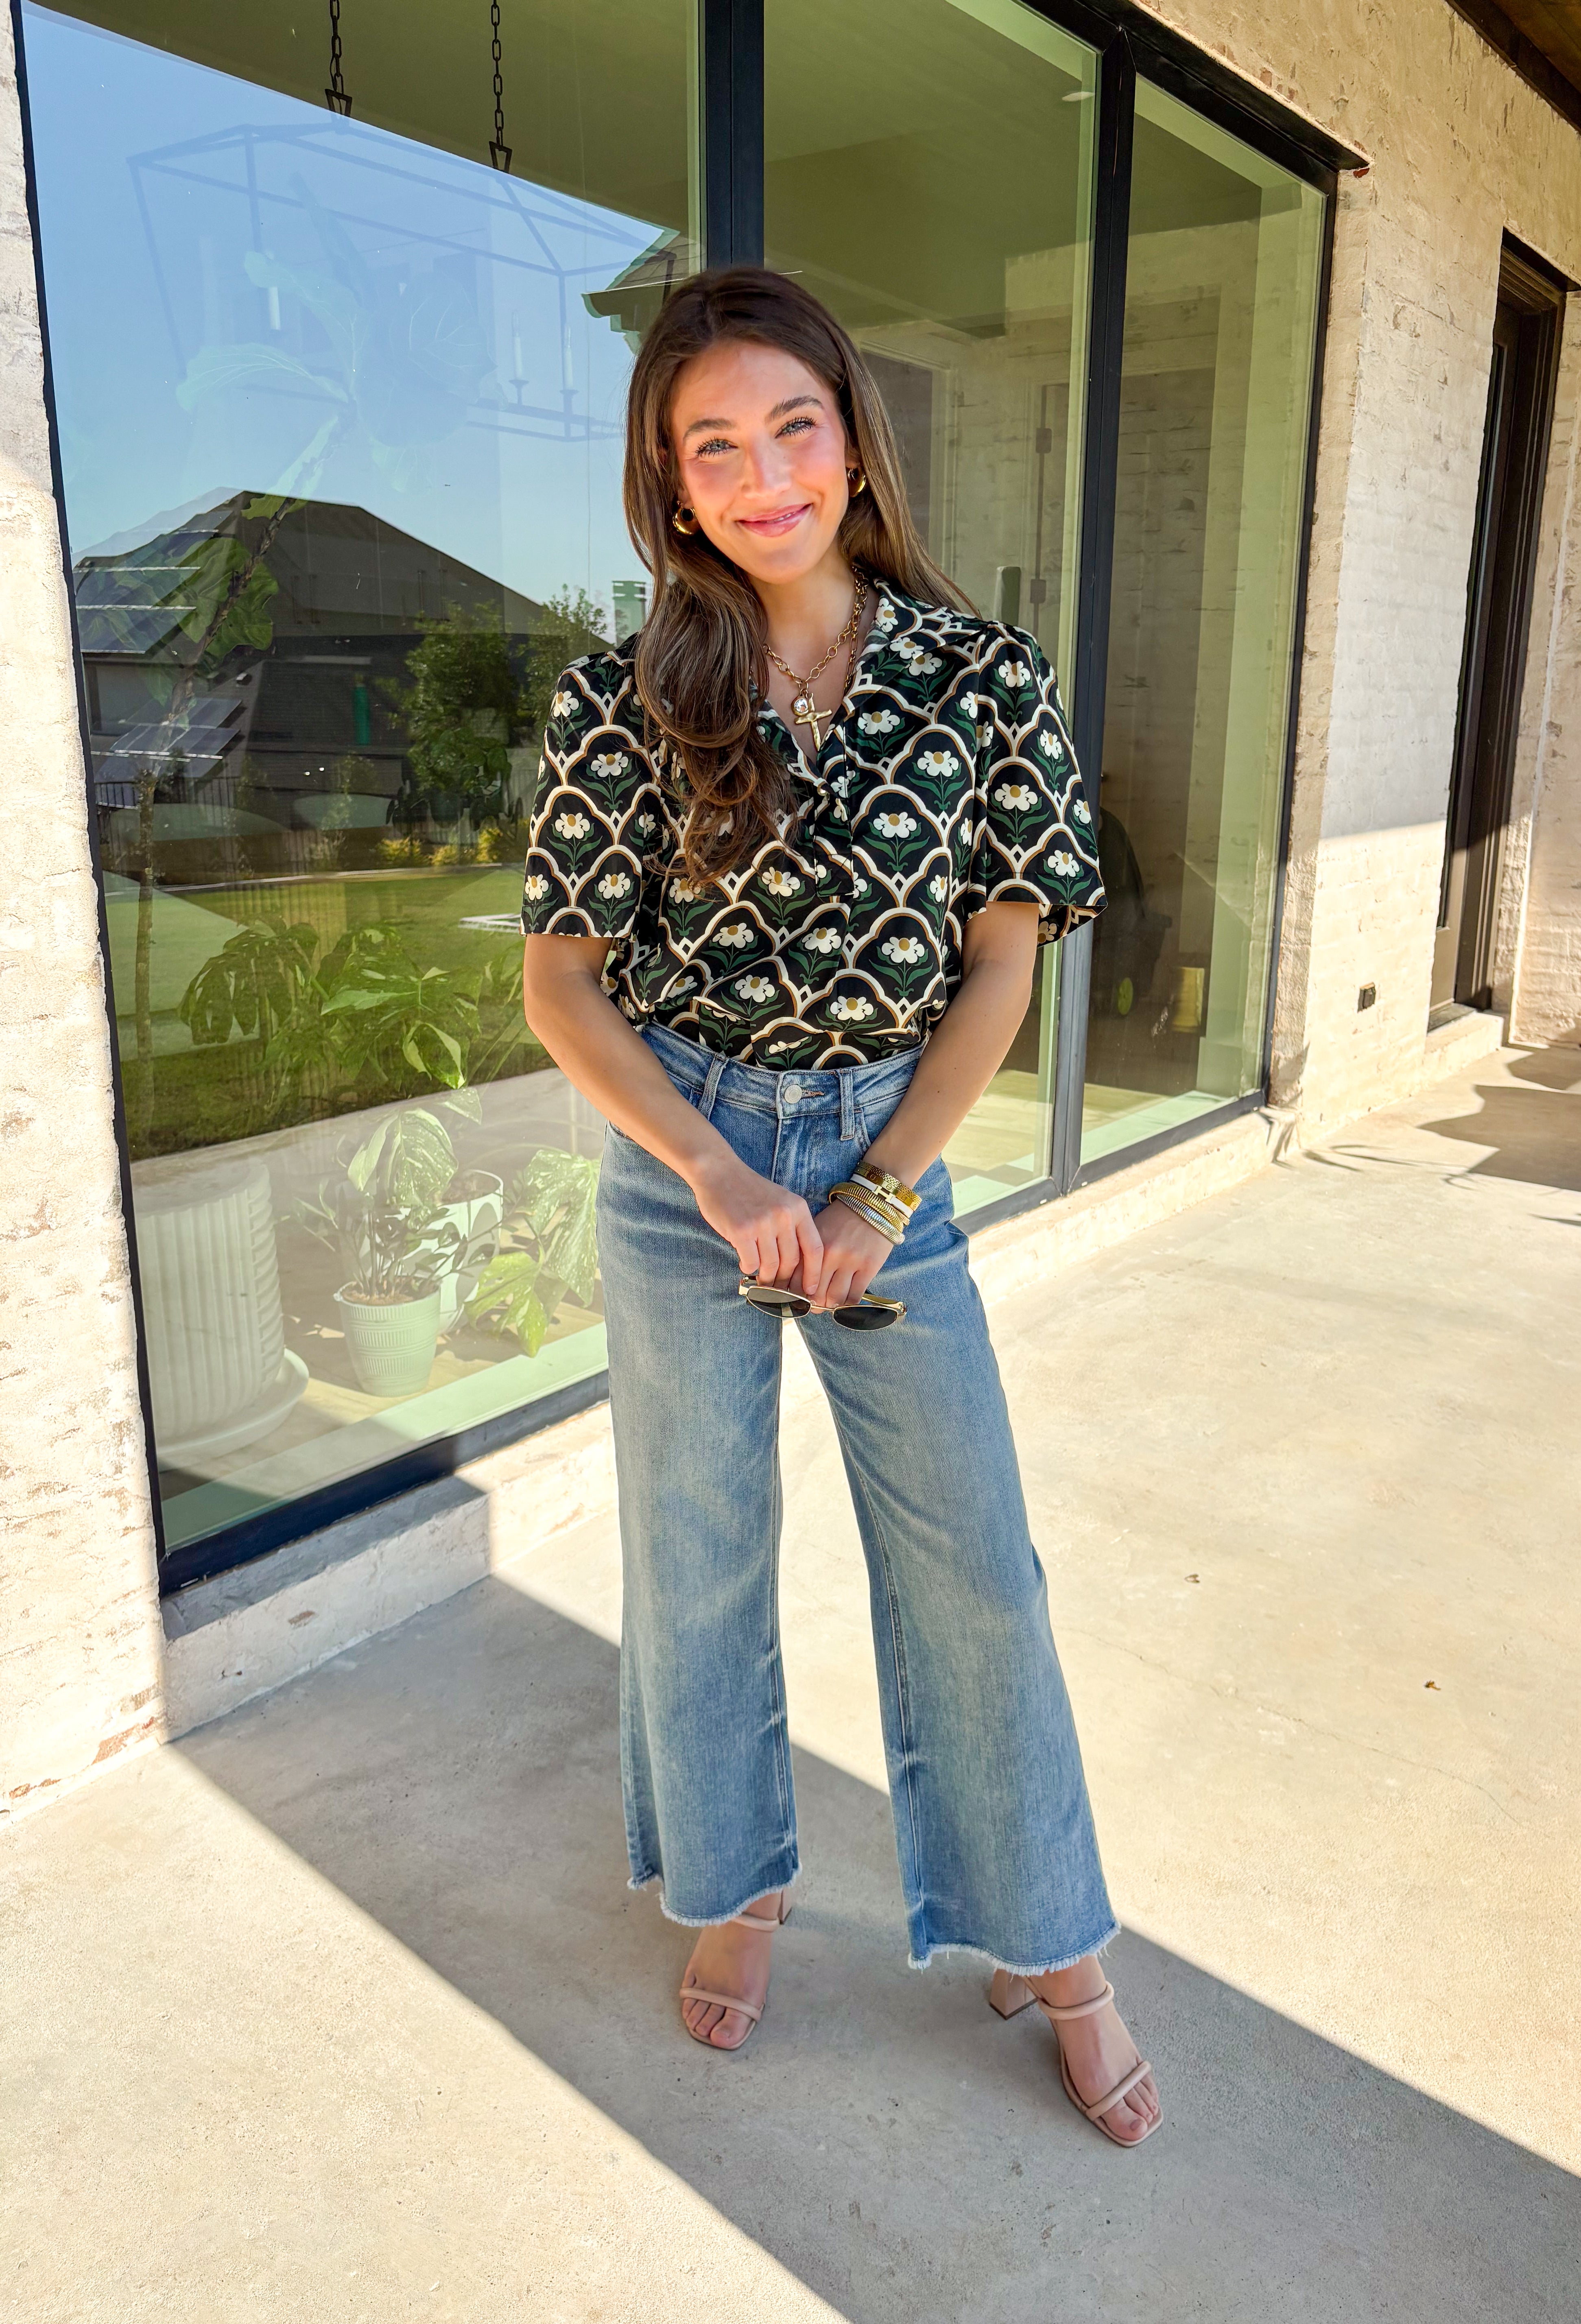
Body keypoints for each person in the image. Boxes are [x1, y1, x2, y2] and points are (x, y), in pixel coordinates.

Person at [519, 267, 1160, 2147]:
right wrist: (716, 1175)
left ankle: (1053, 1938)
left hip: (896, 1148)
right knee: (696, 1552)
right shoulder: (624, 692)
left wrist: (880, 1188)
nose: (764, 472)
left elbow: (1001, 972)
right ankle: (738, 1892)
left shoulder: (982, 678)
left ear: (851, 438)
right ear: (671, 476)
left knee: (976, 1561)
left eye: (792, 424)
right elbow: (562, 986)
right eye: (714, 443)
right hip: (682, 1160)